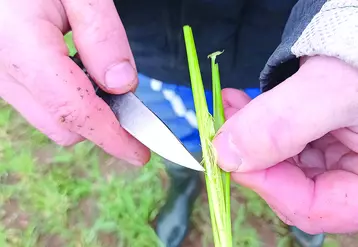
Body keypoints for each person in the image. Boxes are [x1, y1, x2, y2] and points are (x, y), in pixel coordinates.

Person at [1, 0, 358, 247]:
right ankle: (184, 179)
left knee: (296, 149)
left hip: (291, 52)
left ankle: (290, 207)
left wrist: (346, 30)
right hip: (144, 51)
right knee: (175, 131)